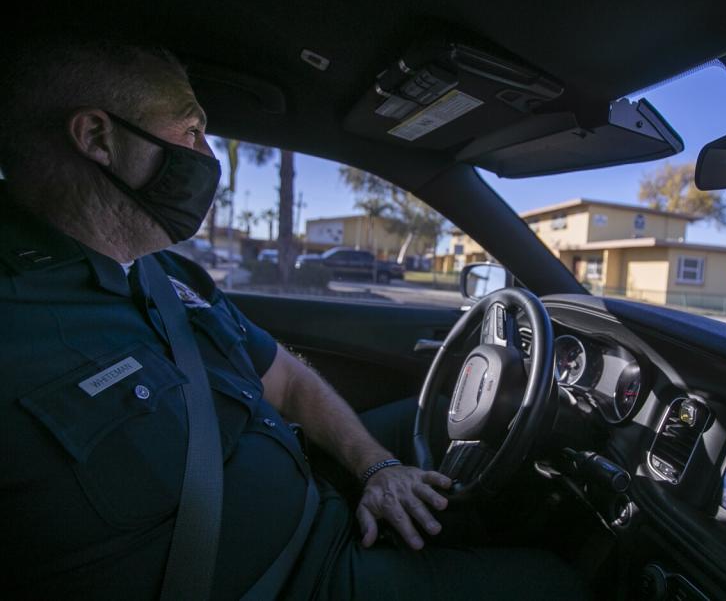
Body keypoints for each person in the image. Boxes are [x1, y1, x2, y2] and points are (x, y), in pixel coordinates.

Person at [0, 39, 587, 599]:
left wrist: (377, 467)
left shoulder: (164, 275)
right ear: (98, 137)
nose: (206, 157)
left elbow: (283, 377)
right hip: (295, 582)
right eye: (193, 129)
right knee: (562, 587)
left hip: (321, 504)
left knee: (455, 432)